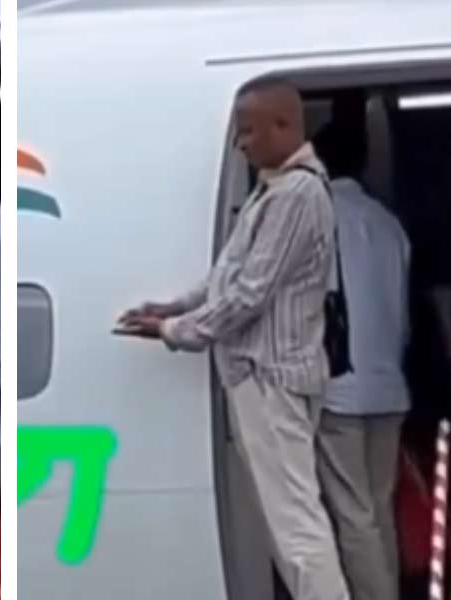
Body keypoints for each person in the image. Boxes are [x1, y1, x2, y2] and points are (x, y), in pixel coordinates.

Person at [116, 79, 350, 600]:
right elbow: (229, 273)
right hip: (263, 378)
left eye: (248, 131)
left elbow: (249, 294)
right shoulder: (275, 189)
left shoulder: (296, 194)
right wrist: (174, 307)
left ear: (284, 126)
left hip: (271, 380)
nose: (241, 143)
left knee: (295, 526)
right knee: (287, 519)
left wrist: (177, 332)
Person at [313, 122, 411, 600]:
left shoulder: (319, 217)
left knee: (354, 518)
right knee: (377, 510)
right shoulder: (388, 222)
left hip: (341, 392)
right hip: (391, 387)